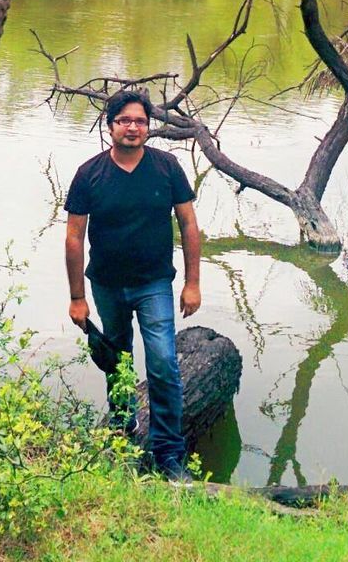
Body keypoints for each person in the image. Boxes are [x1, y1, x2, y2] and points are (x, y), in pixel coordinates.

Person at [64, 90, 201, 480]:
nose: (133, 127)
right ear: (110, 127)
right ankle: (123, 432)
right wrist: (77, 297)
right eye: (124, 120)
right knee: (117, 360)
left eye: (140, 121)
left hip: (154, 282)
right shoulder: (89, 174)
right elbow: (74, 238)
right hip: (107, 284)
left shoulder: (167, 167)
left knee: (162, 361)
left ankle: (169, 453)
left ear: (148, 127)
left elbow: (189, 225)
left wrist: (192, 283)